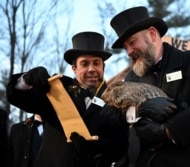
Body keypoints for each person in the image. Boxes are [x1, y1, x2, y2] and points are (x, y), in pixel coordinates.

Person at [110, 6, 190, 167]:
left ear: (152, 34)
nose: (129, 52)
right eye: (126, 48)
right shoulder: (132, 77)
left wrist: (167, 131)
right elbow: (109, 113)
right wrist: (138, 110)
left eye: (132, 42)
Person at [6, 31, 129, 167]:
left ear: (103, 67)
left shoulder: (115, 98)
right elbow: (19, 98)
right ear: (74, 68)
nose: (91, 69)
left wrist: (98, 147)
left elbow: (121, 144)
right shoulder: (58, 88)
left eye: (96, 63)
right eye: (84, 64)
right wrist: (26, 80)